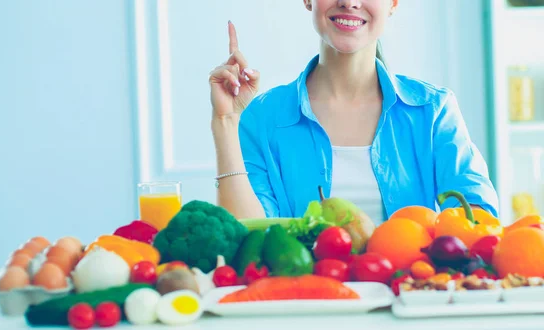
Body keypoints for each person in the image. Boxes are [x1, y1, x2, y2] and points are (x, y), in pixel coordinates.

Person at [208, 0, 499, 225]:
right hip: (302, 300)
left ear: (393, 3)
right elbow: (247, 233)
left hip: (408, 294)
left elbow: (477, 216)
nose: (349, 1)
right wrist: (225, 121)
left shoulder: (434, 111)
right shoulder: (262, 117)